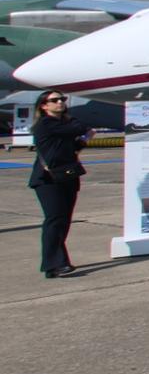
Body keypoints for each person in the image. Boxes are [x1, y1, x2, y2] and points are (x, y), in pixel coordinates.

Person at [27, 90, 91, 278]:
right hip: (48, 180)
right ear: (44, 106)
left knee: (63, 220)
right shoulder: (46, 124)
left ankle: (55, 263)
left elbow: (71, 146)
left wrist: (83, 140)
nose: (60, 102)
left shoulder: (62, 125)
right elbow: (80, 127)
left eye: (62, 99)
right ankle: (55, 264)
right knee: (54, 219)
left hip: (67, 176)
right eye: (54, 100)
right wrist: (82, 131)